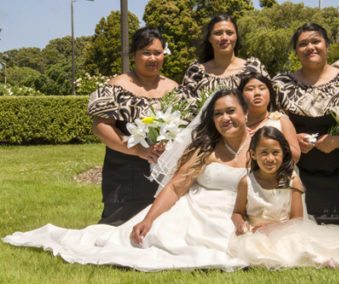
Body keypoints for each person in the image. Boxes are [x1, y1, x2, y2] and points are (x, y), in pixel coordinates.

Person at [3, 89, 251, 271]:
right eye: (218, 113)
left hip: (236, 212)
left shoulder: (261, 145)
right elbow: (176, 187)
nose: (225, 118)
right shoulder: (204, 149)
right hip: (196, 210)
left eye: (231, 111)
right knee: (150, 242)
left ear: (245, 113)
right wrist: (149, 218)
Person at [228, 126, 339, 271]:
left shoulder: (292, 180)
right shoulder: (246, 182)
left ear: (283, 154)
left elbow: (297, 220)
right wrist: (241, 224)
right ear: (253, 154)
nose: (270, 158)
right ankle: (323, 260)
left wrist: (271, 228)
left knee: (303, 244)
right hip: (256, 234)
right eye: (264, 153)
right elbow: (237, 212)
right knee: (255, 252)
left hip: (286, 231)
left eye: (275, 152)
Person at [273, 23, 339, 229]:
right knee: (302, 232)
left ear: (327, 45)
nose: (310, 47)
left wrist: (337, 141)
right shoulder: (282, 86)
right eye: (303, 44)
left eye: (316, 41)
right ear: (296, 51)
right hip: (299, 173)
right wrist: (292, 140)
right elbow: (272, 129)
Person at [87, 27, 178, 226]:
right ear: (134, 55)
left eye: (158, 53)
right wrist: (138, 150)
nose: (153, 58)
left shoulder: (173, 88)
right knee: (116, 227)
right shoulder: (118, 86)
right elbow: (100, 125)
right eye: (146, 53)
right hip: (124, 171)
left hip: (164, 171)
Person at [180, 14, 269, 107]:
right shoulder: (195, 73)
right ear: (209, 38)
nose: (224, 38)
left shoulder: (254, 68)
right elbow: (185, 110)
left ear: (236, 37)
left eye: (229, 33)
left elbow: (272, 103)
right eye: (218, 33)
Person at [238, 73, 300, 163]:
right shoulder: (237, 124)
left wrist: (269, 140)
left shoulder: (281, 121)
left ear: (270, 94)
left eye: (262, 88)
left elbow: (295, 157)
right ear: (241, 95)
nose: (257, 93)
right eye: (250, 89)